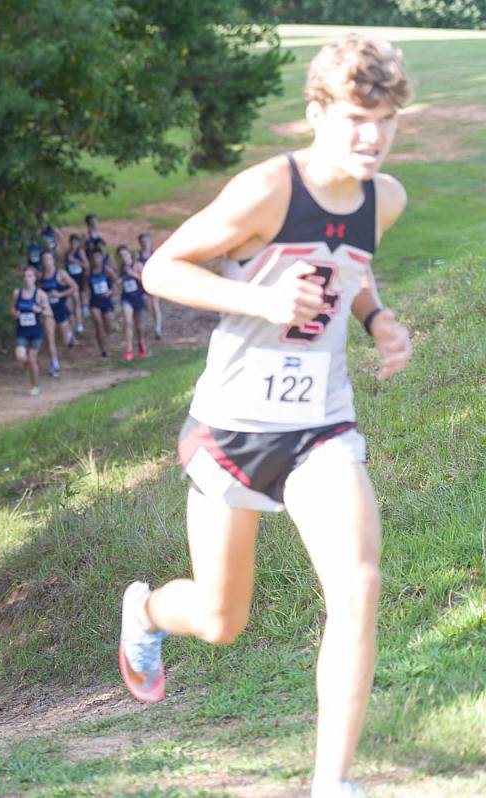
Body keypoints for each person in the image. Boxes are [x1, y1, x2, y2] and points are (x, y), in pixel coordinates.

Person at [117, 35, 413, 798]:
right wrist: (263, 298)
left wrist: (378, 318)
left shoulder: (385, 198)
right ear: (316, 113)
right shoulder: (268, 190)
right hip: (233, 428)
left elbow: (355, 264)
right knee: (221, 620)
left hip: (322, 424)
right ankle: (147, 612)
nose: (371, 136)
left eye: (385, 119)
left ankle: (332, 782)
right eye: (355, 117)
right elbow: (162, 268)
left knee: (357, 585)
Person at [12, 264, 52, 396]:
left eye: (29, 276)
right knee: (20, 356)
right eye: (24, 276)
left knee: (32, 358)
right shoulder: (17, 293)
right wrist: (14, 313)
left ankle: (34, 386)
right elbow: (12, 308)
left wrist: (39, 310)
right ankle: (29, 365)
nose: (26, 279)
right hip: (22, 331)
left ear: (35, 278)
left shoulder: (40, 295)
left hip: (35, 331)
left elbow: (49, 313)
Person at [39, 249, 76, 376]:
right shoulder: (41, 276)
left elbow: (74, 287)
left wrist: (60, 294)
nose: (47, 262)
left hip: (60, 308)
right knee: (49, 337)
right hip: (48, 311)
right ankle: (54, 365)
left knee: (65, 341)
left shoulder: (61, 274)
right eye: (44, 259)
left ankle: (69, 334)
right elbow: (38, 292)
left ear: (53, 260)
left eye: (49, 259)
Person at [85, 248, 119, 358]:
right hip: (95, 301)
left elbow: (115, 282)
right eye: (94, 258)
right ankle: (103, 350)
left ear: (102, 258)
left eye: (98, 257)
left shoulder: (107, 270)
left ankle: (111, 331)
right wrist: (84, 301)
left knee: (108, 328)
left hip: (106, 300)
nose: (96, 260)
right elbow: (85, 288)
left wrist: (110, 292)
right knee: (98, 323)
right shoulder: (88, 273)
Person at [116, 245, 148, 362]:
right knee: (128, 322)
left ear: (129, 254)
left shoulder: (137, 265)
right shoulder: (120, 269)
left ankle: (141, 342)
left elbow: (145, 280)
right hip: (126, 298)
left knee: (139, 325)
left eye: (125, 254)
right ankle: (129, 349)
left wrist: (133, 274)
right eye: (121, 256)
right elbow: (117, 283)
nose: (123, 258)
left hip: (138, 297)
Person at [137, 232, 164, 340]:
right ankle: (154, 323)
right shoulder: (138, 256)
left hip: (154, 283)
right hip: (142, 283)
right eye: (143, 242)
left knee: (155, 304)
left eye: (147, 241)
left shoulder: (155, 254)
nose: (145, 244)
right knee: (148, 305)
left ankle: (158, 328)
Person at [65, 234, 88, 335]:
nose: (74, 244)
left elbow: (86, 265)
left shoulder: (80, 252)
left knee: (77, 300)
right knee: (70, 304)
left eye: (76, 242)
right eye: (72, 242)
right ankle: (72, 325)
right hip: (70, 279)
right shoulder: (67, 253)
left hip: (79, 277)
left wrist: (74, 260)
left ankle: (79, 324)